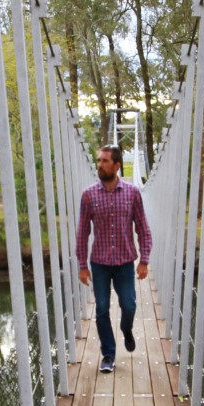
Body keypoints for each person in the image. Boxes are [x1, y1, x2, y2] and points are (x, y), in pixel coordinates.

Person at [74, 144, 152, 373]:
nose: (100, 165)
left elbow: (143, 228)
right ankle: (108, 354)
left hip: (125, 263)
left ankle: (126, 329)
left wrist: (144, 260)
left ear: (117, 165)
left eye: (105, 161)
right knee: (101, 308)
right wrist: (82, 265)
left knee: (129, 305)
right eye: (98, 161)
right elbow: (82, 232)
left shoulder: (132, 193)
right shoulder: (88, 195)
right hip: (99, 263)